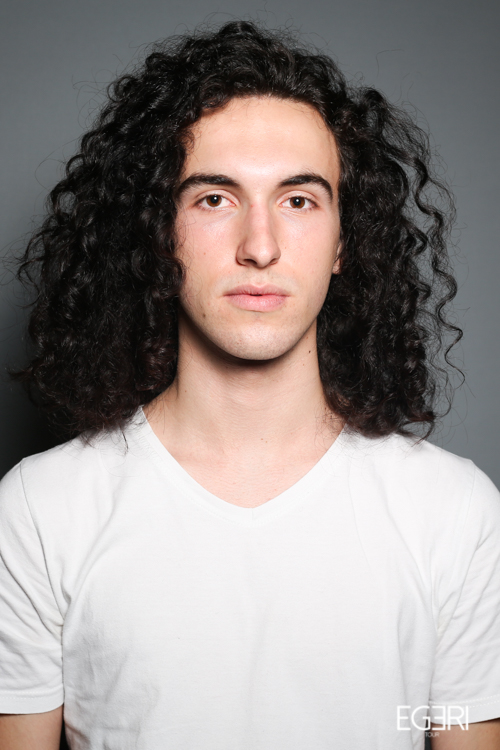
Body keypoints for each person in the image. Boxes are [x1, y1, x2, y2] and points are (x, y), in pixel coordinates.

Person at [0, 19, 499, 750]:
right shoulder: (39, 510)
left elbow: (456, 731)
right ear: (157, 233)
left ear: (342, 242)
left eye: (299, 200)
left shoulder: (453, 512)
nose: (260, 247)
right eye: (215, 199)